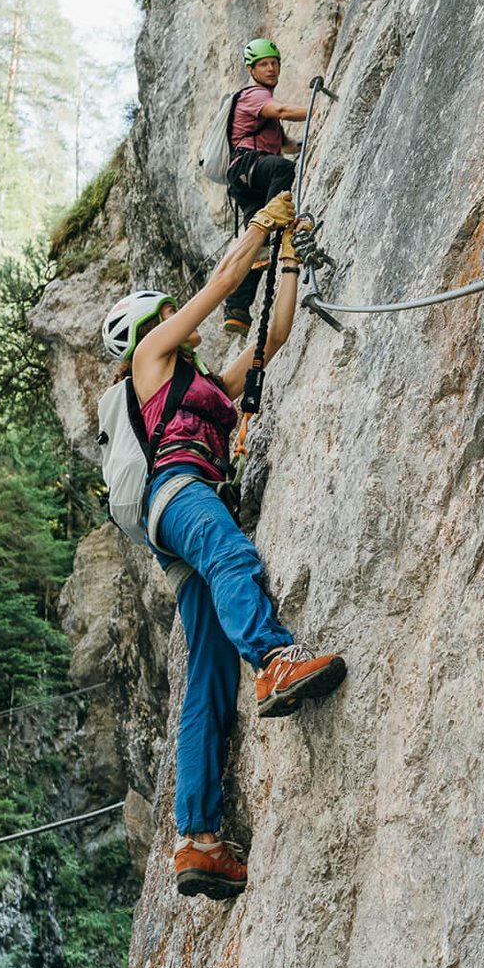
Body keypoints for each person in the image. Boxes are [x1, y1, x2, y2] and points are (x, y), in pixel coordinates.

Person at [99, 190, 343, 901]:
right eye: (166, 313)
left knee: (205, 681)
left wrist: (288, 256)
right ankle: (273, 659)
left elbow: (269, 339)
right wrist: (263, 227)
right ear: (149, 325)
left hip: (173, 525)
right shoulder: (150, 358)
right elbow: (218, 288)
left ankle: (197, 838)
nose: (182, 320)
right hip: (179, 494)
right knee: (235, 555)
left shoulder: (201, 383)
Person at [220, 37, 309, 336]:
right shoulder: (253, 96)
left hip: (250, 179)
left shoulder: (263, 110)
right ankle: (274, 229)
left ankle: (237, 309)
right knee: (282, 168)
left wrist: (309, 137)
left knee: (254, 248)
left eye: (274, 63)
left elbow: (287, 145)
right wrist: (315, 109)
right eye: (263, 64)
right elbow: (283, 111)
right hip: (249, 168)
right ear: (252, 69)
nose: (271, 68)